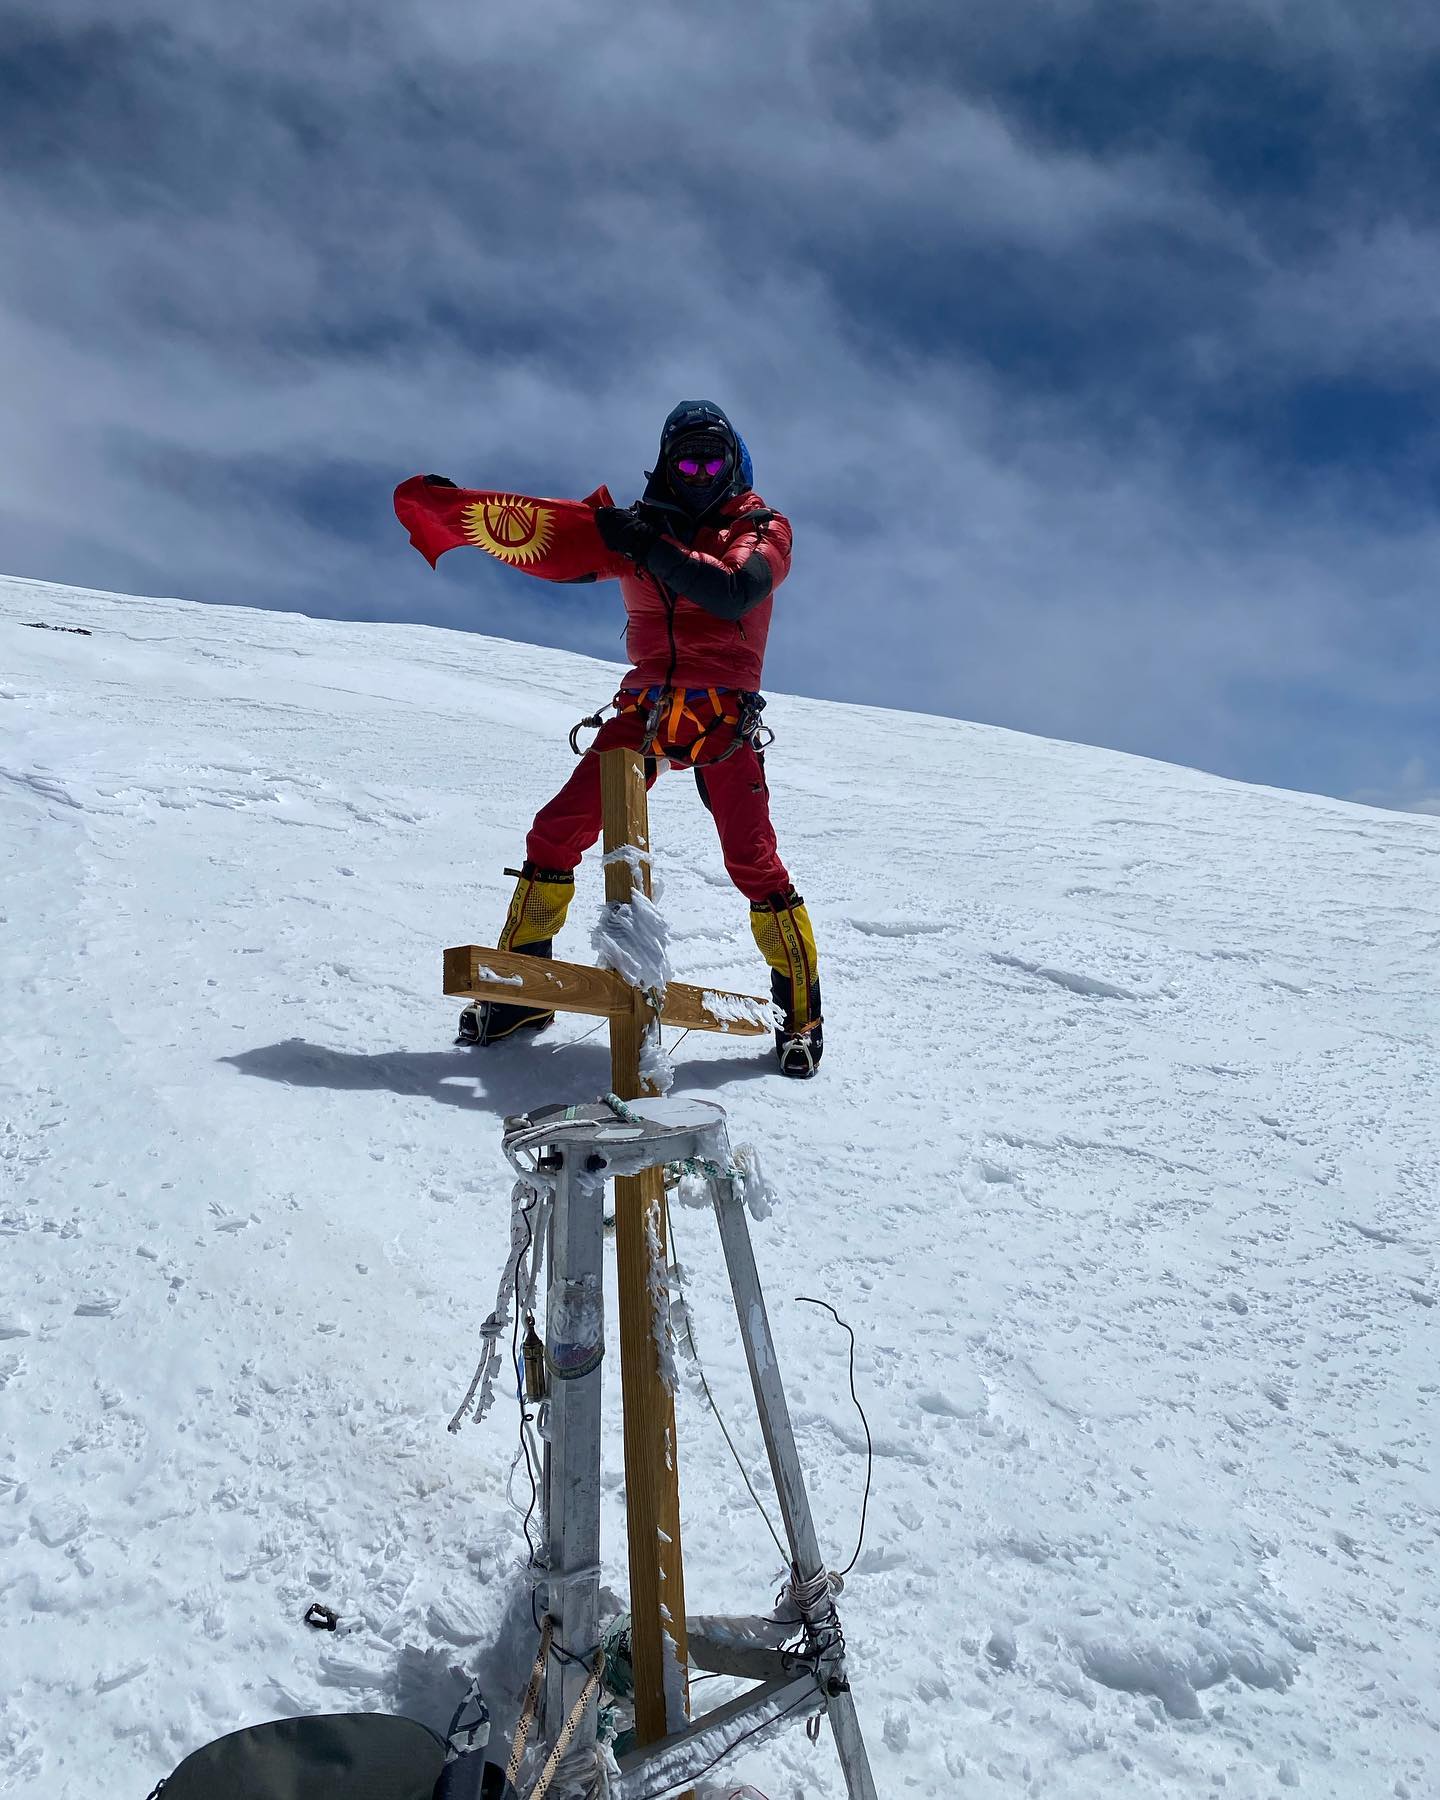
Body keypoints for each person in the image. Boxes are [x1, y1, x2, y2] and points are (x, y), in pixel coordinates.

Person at [458, 399, 822, 1077]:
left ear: (733, 461)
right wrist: (466, 518)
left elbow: (736, 592)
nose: (697, 471)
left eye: (710, 458)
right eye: (684, 459)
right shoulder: (632, 529)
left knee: (752, 861)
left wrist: (644, 542)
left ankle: (800, 1016)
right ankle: (519, 997)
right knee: (555, 832)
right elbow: (552, 544)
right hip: (648, 707)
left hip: (722, 714)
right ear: (664, 464)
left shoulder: (762, 526)